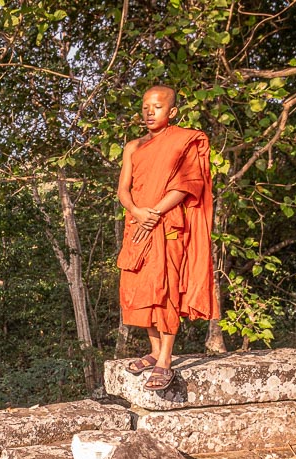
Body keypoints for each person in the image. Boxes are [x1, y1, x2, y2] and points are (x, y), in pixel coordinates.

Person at [116, 84, 217, 391]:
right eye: (146, 106)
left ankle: (165, 361)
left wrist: (155, 212)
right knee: (139, 288)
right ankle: (154, 350)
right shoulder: (133, 147)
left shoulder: (183, 142)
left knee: (165, 289)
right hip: (138, 225)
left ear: (171, 112)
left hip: (166, 227)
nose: (149, 111)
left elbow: (188, 184)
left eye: (157, 107)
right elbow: (123, 190)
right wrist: (136, 211)